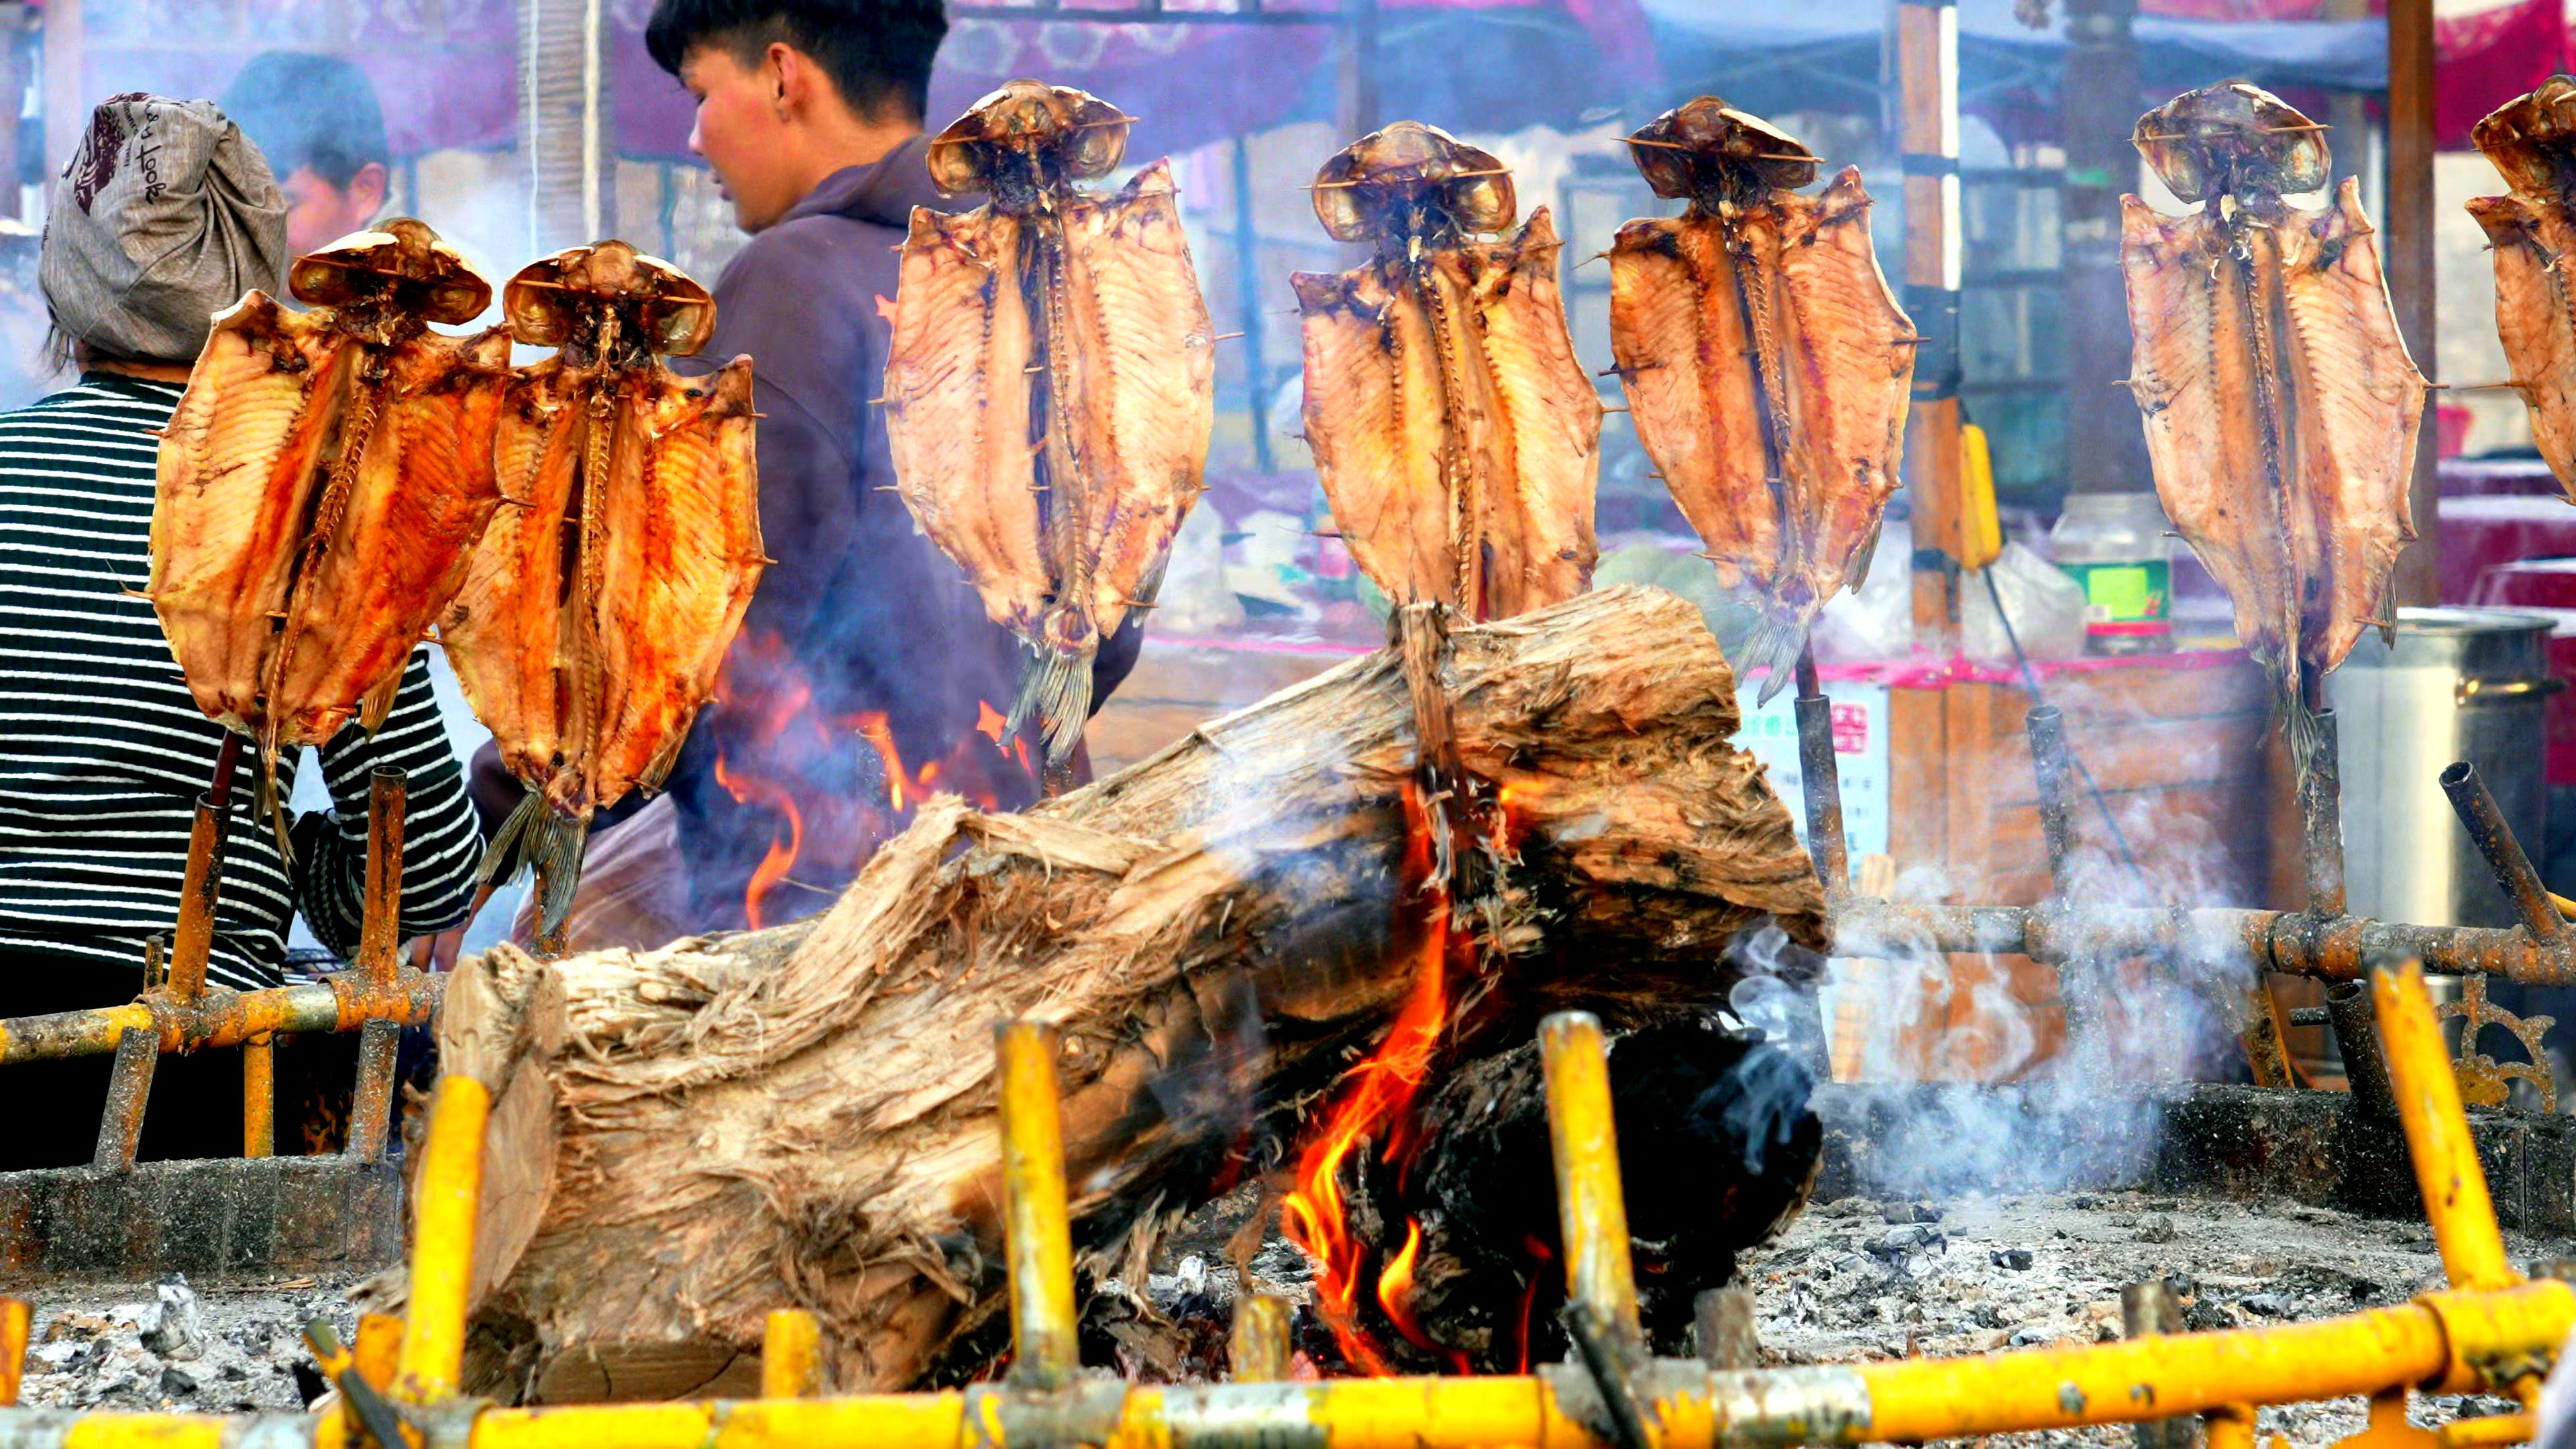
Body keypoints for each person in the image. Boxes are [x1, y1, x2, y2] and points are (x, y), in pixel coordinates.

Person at [0, 95, 482, 1164]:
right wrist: (290, 851)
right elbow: (431, 877)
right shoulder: (312, 526)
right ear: (265, 310)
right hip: (176, 1079)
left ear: (65, 295)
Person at [636, 0, 1144, 933]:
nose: (694, 136)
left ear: (784, 76)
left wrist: (508, 810)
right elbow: (1110, 625)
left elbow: (689, 639)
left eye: (701, 93)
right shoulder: (1045, 274)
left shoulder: (787, 283)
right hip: (1023, 869)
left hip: (816, 901)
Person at [219, 52, 390, 256]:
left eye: (283, 208)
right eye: (234, 211)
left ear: (365, 191)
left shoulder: (425, 281)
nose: (247, 239)